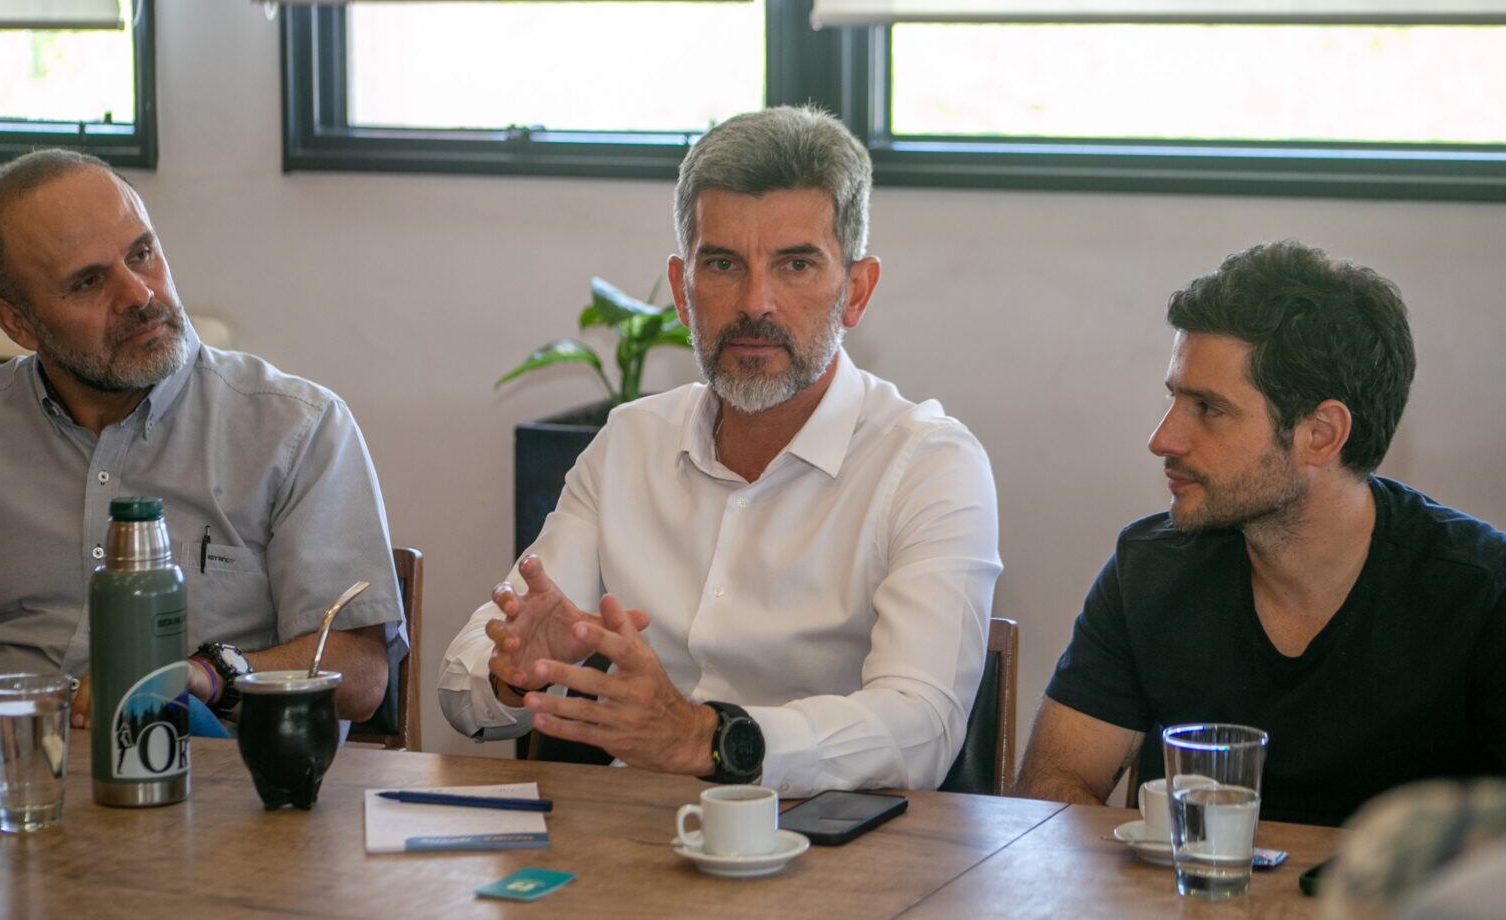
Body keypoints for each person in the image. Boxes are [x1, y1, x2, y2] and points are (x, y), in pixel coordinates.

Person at [440, 106, 1000, 793]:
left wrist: (711, 739)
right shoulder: (627, 446)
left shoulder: (930, 466)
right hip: (638, 852)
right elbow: (464, 690)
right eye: (724, 264)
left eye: (796, 265)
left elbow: (920, 728)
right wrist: (512, 670)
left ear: (855, 292)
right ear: (681, 290)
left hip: (838, 860)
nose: (755, 302)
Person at [1013, 241, 1506, 826]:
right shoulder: (1148, 568)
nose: (1164, 438)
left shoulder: (1481, 596)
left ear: (1321, 434)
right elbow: (1052, 787)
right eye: (1175, 398)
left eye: (1209, 408)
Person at [0, 149, 406, 726]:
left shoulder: (294, 428)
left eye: (142, 254)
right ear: (17, 323)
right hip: (6, 786)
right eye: (88, 282)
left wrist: (202, 675)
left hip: (217, 790)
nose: (138, 295)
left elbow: (357, 674)